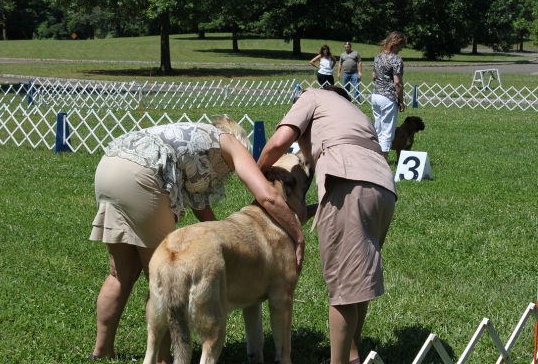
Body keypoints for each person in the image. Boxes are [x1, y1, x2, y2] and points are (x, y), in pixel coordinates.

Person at [88, 117, 304, 362]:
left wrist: (225, 236)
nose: (228, 174)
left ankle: (101, 351)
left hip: (109, 165)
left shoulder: (194, 141)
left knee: (120, 273)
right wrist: (297, 236)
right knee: (169, 277)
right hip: (145, 174)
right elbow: (269, 197)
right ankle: (162, 359)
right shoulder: (232, 145)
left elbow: (203, 211)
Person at [257, 87, 397, 364]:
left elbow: (278, 143)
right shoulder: (353, 112)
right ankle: (352, 354)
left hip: (348, 180)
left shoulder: (311, 96)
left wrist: (259, 173)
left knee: (344, 289)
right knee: (358, 281)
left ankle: (340, 362)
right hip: (384, 186)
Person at [371, 31, 407, 160]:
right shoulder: (396, 59)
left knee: (378, 129)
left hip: (375, 96)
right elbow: (397, 82)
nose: (402, 49)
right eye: (401, 46)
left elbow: (374, 77)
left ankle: (374, 157)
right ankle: (383, 162)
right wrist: (401, 100)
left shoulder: (378, 57)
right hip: (388, 97)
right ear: (397, 44)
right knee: (387, 132)